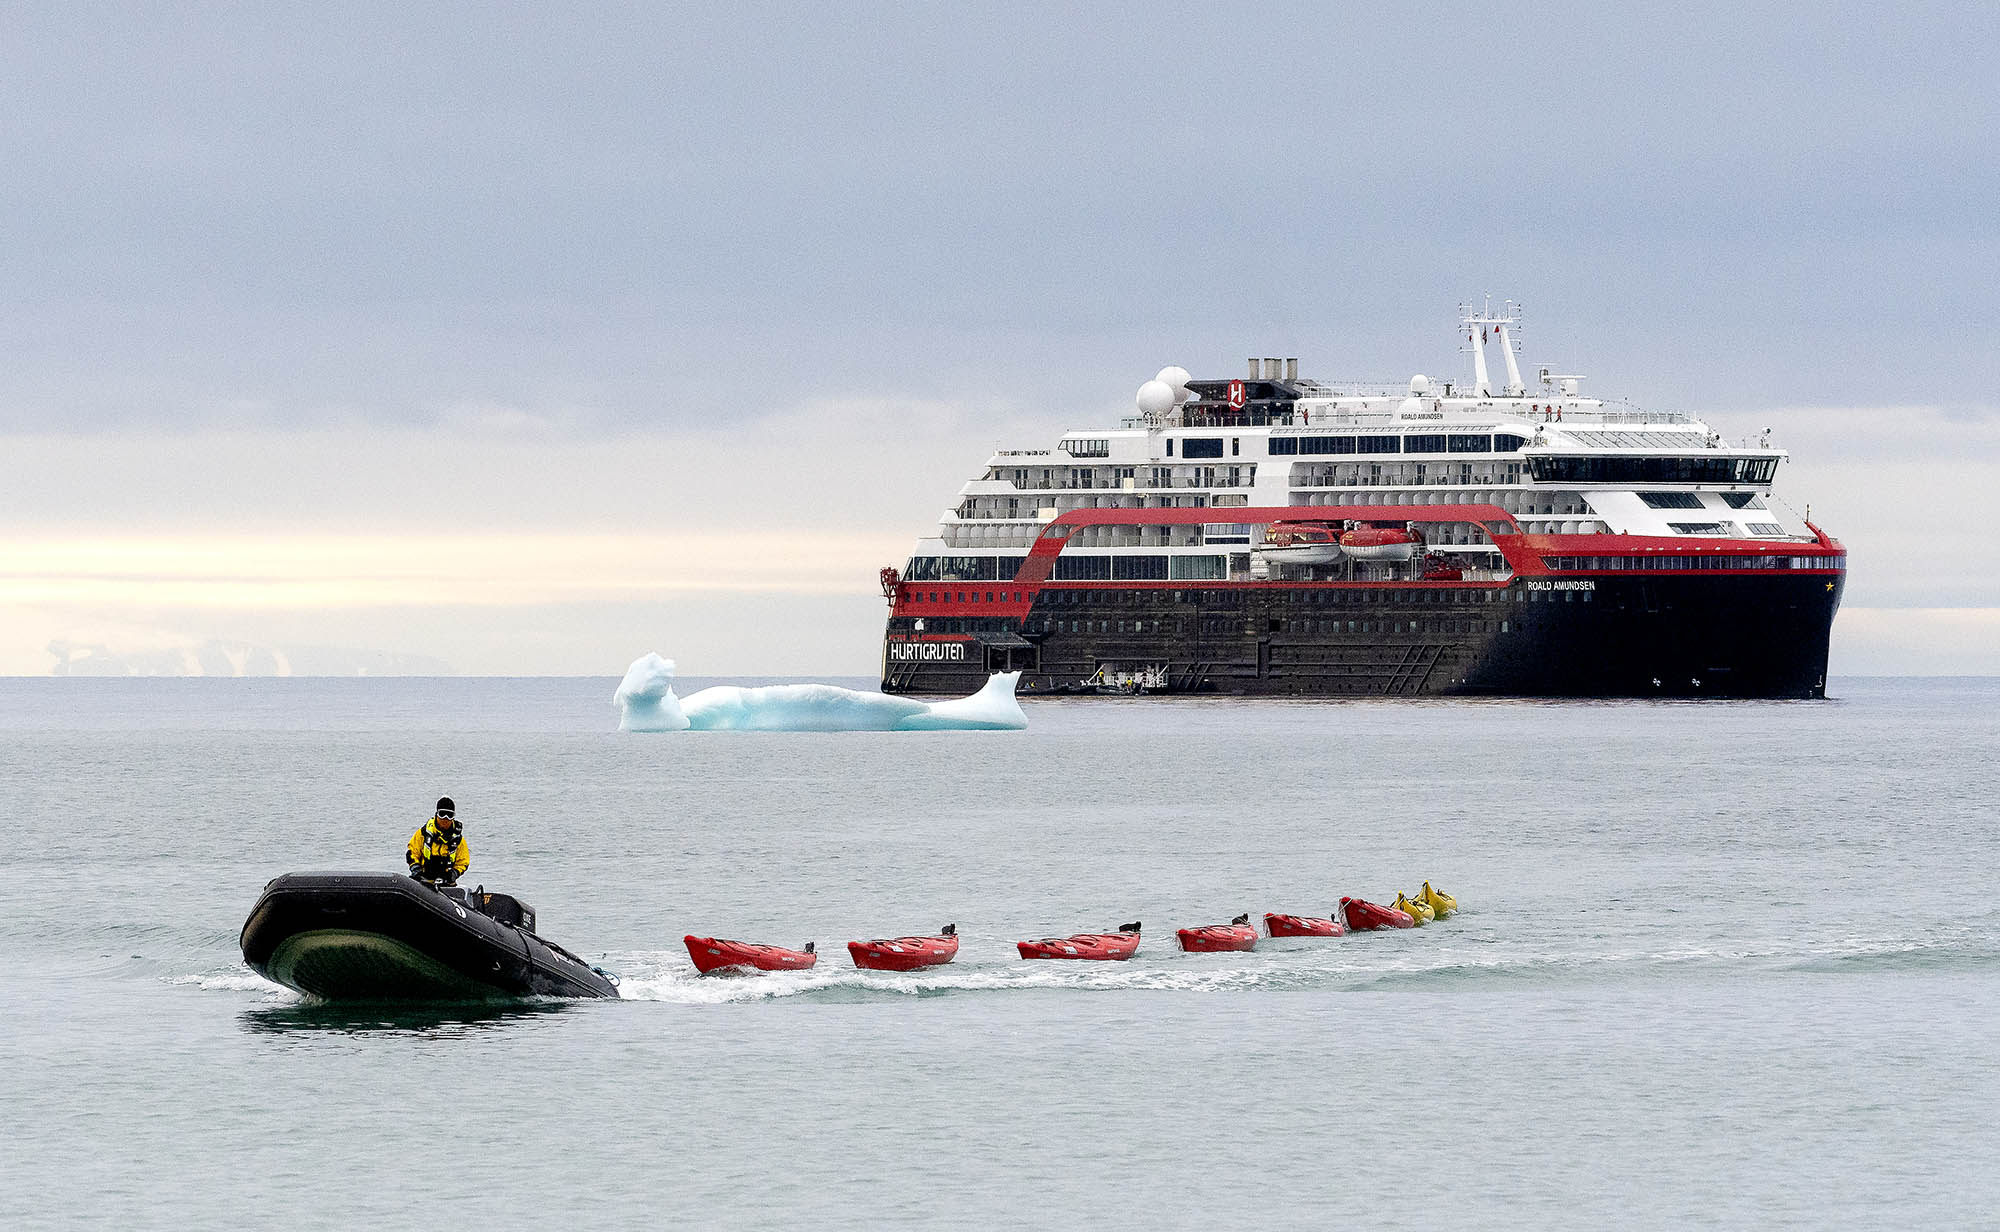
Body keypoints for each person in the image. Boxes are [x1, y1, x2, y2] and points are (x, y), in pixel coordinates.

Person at [407, 797, 469, 886]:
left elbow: (463, 862)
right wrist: (416, 869)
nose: (445, 819)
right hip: (422, 882)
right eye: (442, 814)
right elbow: (412, 852)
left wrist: (454, 874)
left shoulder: (458, 840)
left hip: (446, 883)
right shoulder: (423, 834)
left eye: (449, 815)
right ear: (437, 814)